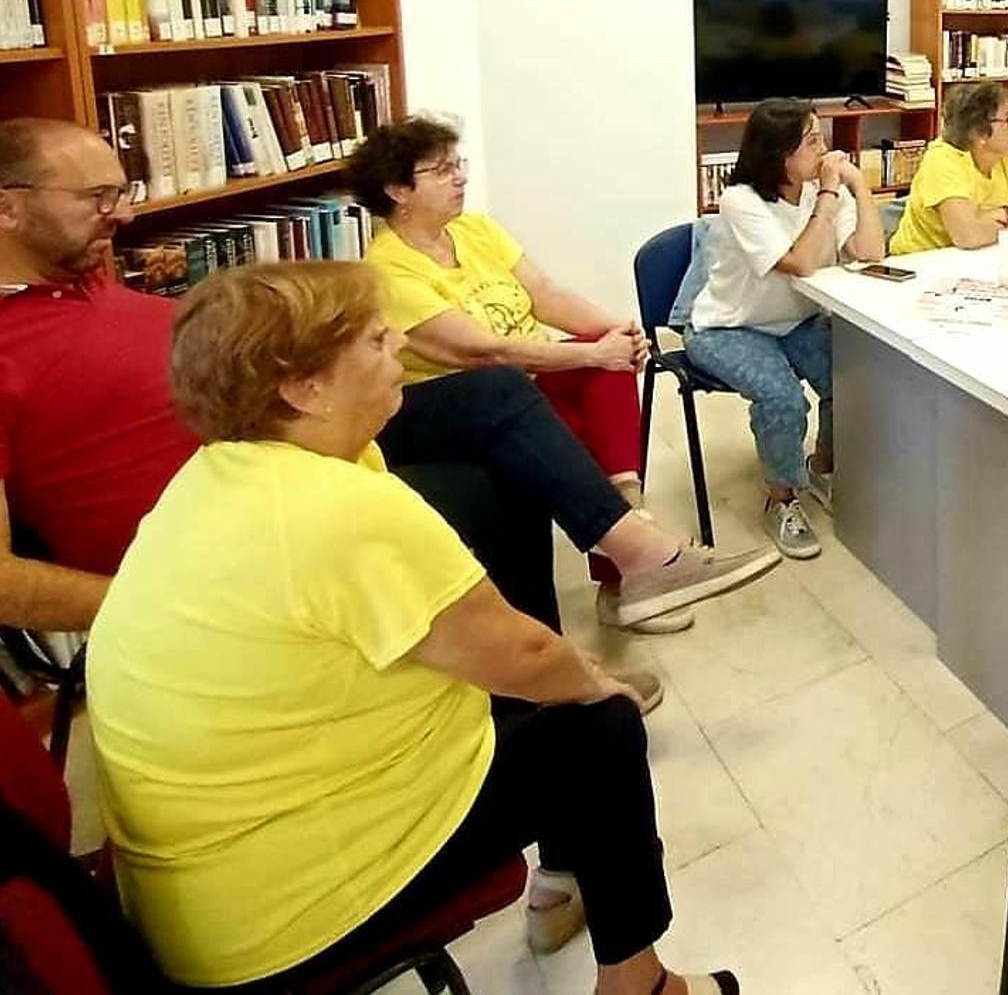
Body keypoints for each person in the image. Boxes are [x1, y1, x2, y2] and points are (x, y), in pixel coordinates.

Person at [86, 262, 737, 995]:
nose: (398, 340)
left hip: (206, 895)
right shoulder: (336, 509)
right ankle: (641, 984)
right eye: (372, 340)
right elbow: (528, 656)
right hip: (282, 918)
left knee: (512, 656)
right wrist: (597, 682)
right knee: (600, 727)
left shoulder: (217, 474)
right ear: (303, 388)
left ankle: (565, 881)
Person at [0, 120, 760, 651]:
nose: (127, 214)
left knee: (498, 430)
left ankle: (576, 619)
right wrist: (174, 607)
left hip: (294, 460)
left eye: (123, 191)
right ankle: (580, 627)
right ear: (2, 206)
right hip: (231, 542)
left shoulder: (94, 289)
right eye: (98, 199)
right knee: (494, 451)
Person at [345, 119, 763, 636]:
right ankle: (634, 554)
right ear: (397, 191)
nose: (460, 177)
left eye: (459, 164)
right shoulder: (387, 269)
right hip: (459, 399)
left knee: (603, 358)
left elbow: (544, 294)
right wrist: (593, 353)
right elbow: (484, 351)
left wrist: (615, 330)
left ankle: (629, 529)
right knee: (578, 368)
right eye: (443, 169)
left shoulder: (475, 230)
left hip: (523, 376)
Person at [685, 100, 885, 558]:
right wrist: (830, 195)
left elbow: (871, 253)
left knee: (850, 376)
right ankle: (781, 500)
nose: (824, 149)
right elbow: (799, 262)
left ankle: (823, 467)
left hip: (796, 319)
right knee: (783, 398)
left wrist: (858, 186)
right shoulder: (741, 201)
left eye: (821, 137)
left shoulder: (823, 194)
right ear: (779, 154)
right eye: (811, 141)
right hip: (730, 327)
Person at [889, 82, 1008, 253]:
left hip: (983, 257)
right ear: (979, 132)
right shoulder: (942, 159)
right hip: (919, 261)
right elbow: (968, 236)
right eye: (1007, 120)